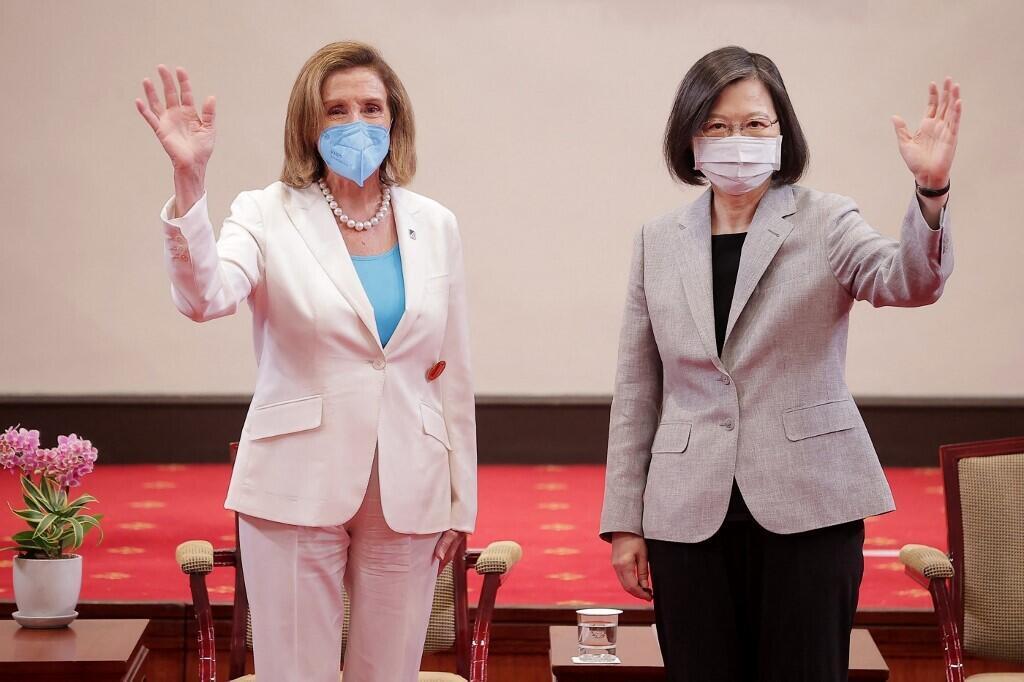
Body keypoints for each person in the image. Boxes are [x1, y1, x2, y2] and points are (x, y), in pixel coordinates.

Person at [599, 46, 959, 681]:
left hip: (809, 504)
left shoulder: (826, 220)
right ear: (690, 140)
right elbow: (637, 388)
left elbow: (909, 280)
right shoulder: (657, 241)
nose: (737, 141)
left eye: (755, 124)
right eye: (716, 126)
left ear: (783, 131)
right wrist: (625, 521)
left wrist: (930, 191)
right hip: (687, 511)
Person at [135, 41, 476, 682]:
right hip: (294, 478)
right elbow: (205, 297)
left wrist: (462, 501)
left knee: (389, 674)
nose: (356, 124)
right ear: (308, 125)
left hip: (410, 482)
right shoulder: (265, 214)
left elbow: (450, 367)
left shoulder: (435, 224)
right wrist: (189, 182)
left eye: (371, 108)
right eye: (336, 110)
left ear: (394, 120)